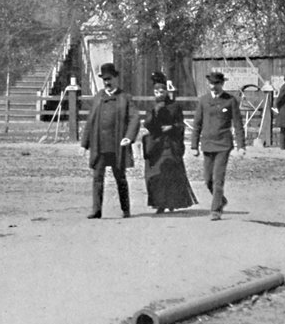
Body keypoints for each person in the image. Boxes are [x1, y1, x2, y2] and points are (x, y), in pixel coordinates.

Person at [79, 62, 140, 219]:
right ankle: (96, 210)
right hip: (99, 145)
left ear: (116, 78)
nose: (107, 82)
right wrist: (84, 144)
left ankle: (125, 209)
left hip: (117, 145)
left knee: (120, 178)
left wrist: (128, 137)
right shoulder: (98, 97)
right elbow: (90, 121)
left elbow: (134, 118)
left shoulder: (125, 98)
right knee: (97, 178)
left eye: (110, 78)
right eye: (105, 79)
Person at [190, 71, 246, 221]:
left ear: (222, 84)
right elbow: (197, 124)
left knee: (218, 179)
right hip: (207, 144)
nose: (213, 87)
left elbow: (238, 124)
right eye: (211, 84)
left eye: (216, 84)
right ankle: (221, 199)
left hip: (223, 145)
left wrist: (241, 145)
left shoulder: (230, 101)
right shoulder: (203, 101)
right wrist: (194, 145)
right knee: (207, 179)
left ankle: (216, 210)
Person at [141, 71, 197, 214]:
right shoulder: (152, 107)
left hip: (171, 144)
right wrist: (155, 112)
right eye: (156, 91)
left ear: (166, 91)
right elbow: (147, 125)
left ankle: (172, 202)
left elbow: (181, 125)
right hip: (155, 145)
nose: (159, 93)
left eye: (162, 90)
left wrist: (171, 127)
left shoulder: (175, 106)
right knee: (156, 174)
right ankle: (159, 203)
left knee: (171, 174)